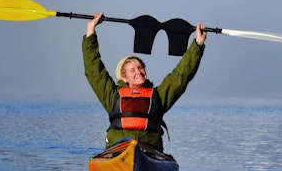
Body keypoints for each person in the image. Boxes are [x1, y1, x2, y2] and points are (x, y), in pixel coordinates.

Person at [82, 13, 207, 151]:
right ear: (124, 78)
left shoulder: (158, 96)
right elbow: (94, 71)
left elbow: (181, 75)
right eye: (132, 70)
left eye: (140, 68)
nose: (139, 72)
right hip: (118, 149)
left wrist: (197, 44)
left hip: (149, 150)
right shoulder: (112, 95)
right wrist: (90, 31)